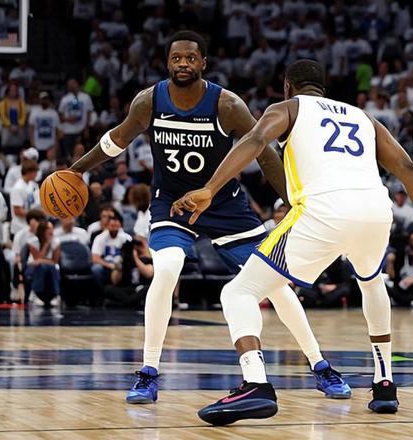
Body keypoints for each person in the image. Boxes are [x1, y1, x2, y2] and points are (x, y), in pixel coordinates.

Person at [68, 33, 349, 406]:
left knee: (276, 285)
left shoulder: (227, 105)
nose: (183, 64)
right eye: (176, 58)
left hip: (224, 205)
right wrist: (76, 169)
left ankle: (320, 366)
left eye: (190, 58)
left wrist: (294, 202)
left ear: (203, 63)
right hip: (172, 204)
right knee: (167, 271)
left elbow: (265, 155)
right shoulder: (148, 101)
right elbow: (116, 139)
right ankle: (148, 372)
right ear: (168, 63)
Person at [172, 59, 413, 424]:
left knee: (238, 293)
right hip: (375, 211)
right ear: (324, 88)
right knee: (372, 284)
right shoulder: (364, 118)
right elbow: (409, 169)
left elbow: (255, 141)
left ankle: (255, 383)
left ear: (287, 87)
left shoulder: (288, 108)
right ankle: (384, 383)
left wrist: (211, 187)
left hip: (323, 211)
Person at [26, 219, 61, 307]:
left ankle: (56, 295)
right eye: (49, 228)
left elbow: (55, 261)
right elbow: (37, 259)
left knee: (51, 267)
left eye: (52, 228)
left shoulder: (56, 241)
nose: (52, 230)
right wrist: (46, 244)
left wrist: (42, 260)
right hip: (33, 267)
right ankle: (35, 295)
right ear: (42, 231)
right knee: (41, 267)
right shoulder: (32, 242)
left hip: (50, 266)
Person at [91, 213, 132, 284]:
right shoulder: (99, 238)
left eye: (116, 225)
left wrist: (119, 265)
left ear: (120, 225)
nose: (114, 227)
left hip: (122, 265)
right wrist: (110, 265)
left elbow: (131, 256)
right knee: (96, 269)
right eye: (112, 225)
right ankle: (100, 289)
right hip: (106, 265)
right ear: (107, 225)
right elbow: (95, 258)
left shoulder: (127, 238)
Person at [10, 160, 41, 236]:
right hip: (20, 228)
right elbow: (18, 211)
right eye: (35, 172)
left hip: (31, 226)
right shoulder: (17, 188)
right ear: (29, 172)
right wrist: (36, 215)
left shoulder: (33, 184)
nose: (36, 175)